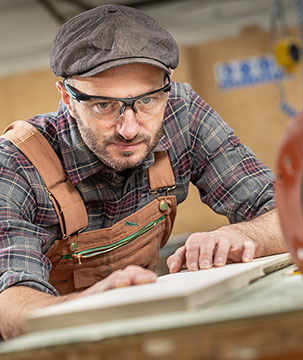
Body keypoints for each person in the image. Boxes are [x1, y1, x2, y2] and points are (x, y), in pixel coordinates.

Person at [0, 4, 286, 340]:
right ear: (67, 96)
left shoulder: (183, 116)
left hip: (144, 334)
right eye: (104, 105)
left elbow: (293, 216)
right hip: (60, 345)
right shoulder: (16, 164)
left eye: (148, 100)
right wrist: (83, 309)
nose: (130, 129)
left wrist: (246, 236)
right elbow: (7, 303)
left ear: (167, 86)